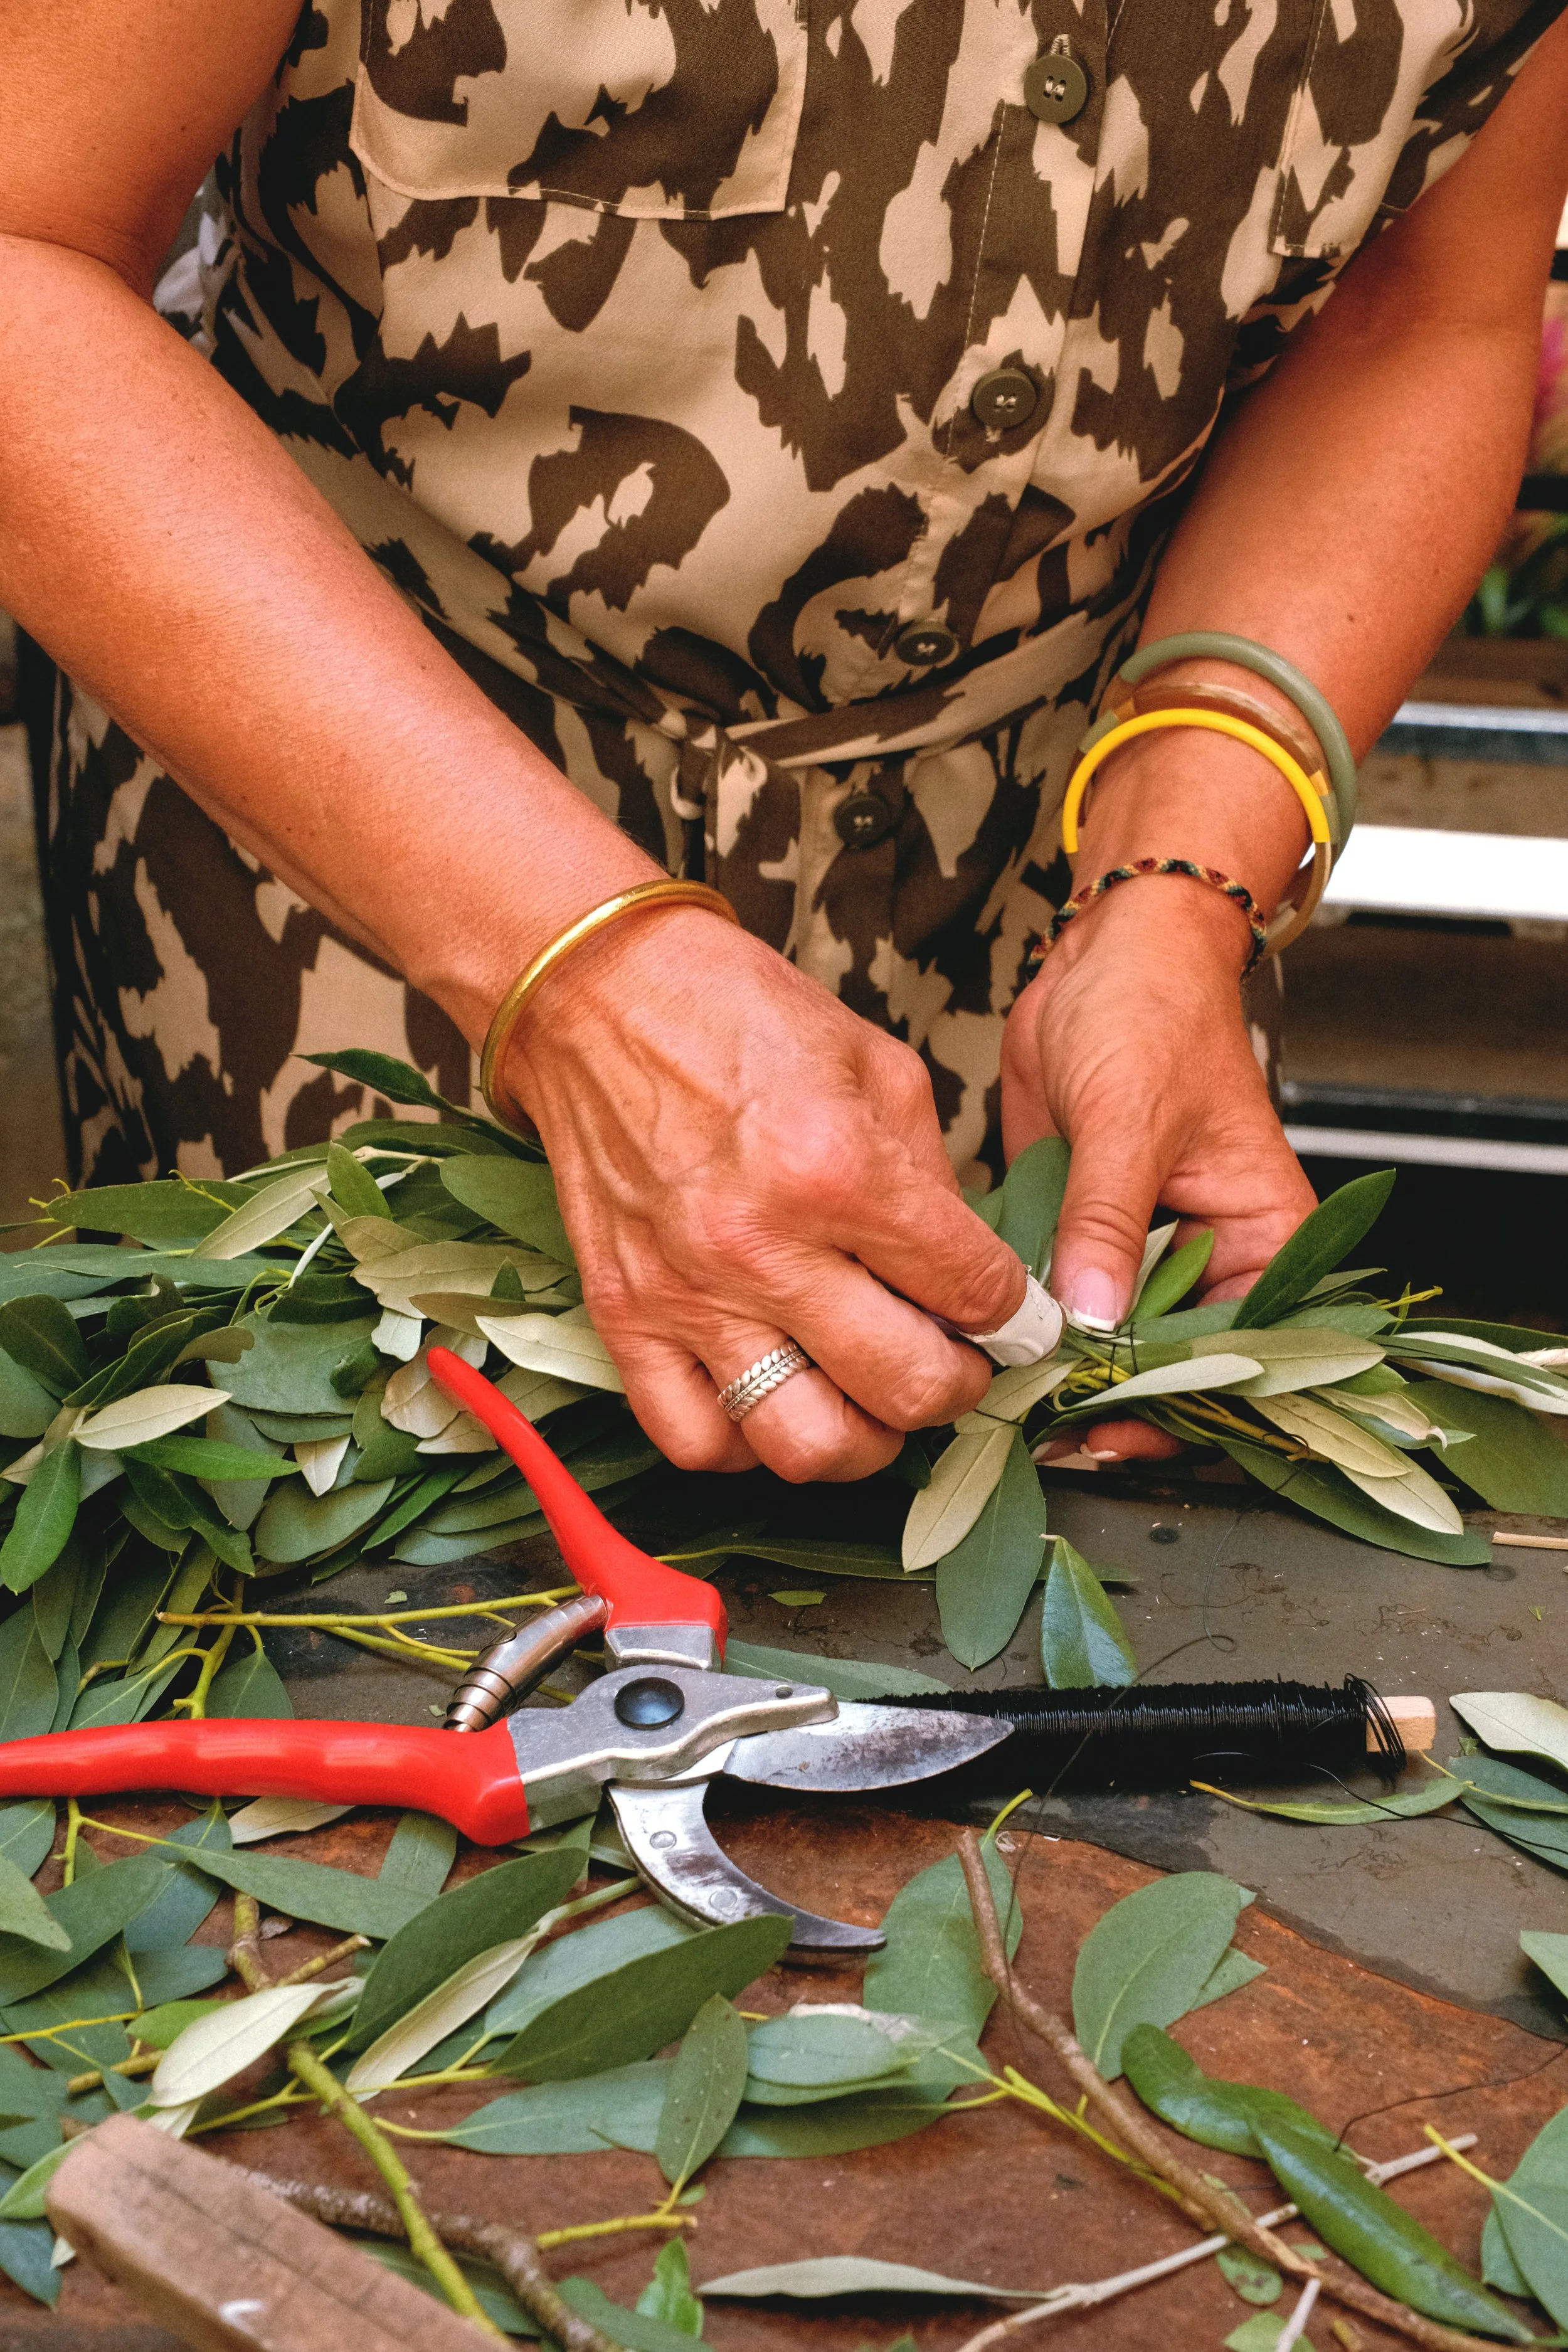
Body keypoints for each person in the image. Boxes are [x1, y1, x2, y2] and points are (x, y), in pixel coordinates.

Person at [1, 0, 1565, 1490]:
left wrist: (1177, 881)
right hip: (357, 818)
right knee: (361, 1609)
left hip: (1063, 900)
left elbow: (1418, 311)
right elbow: (23, 244)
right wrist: (583, 973)